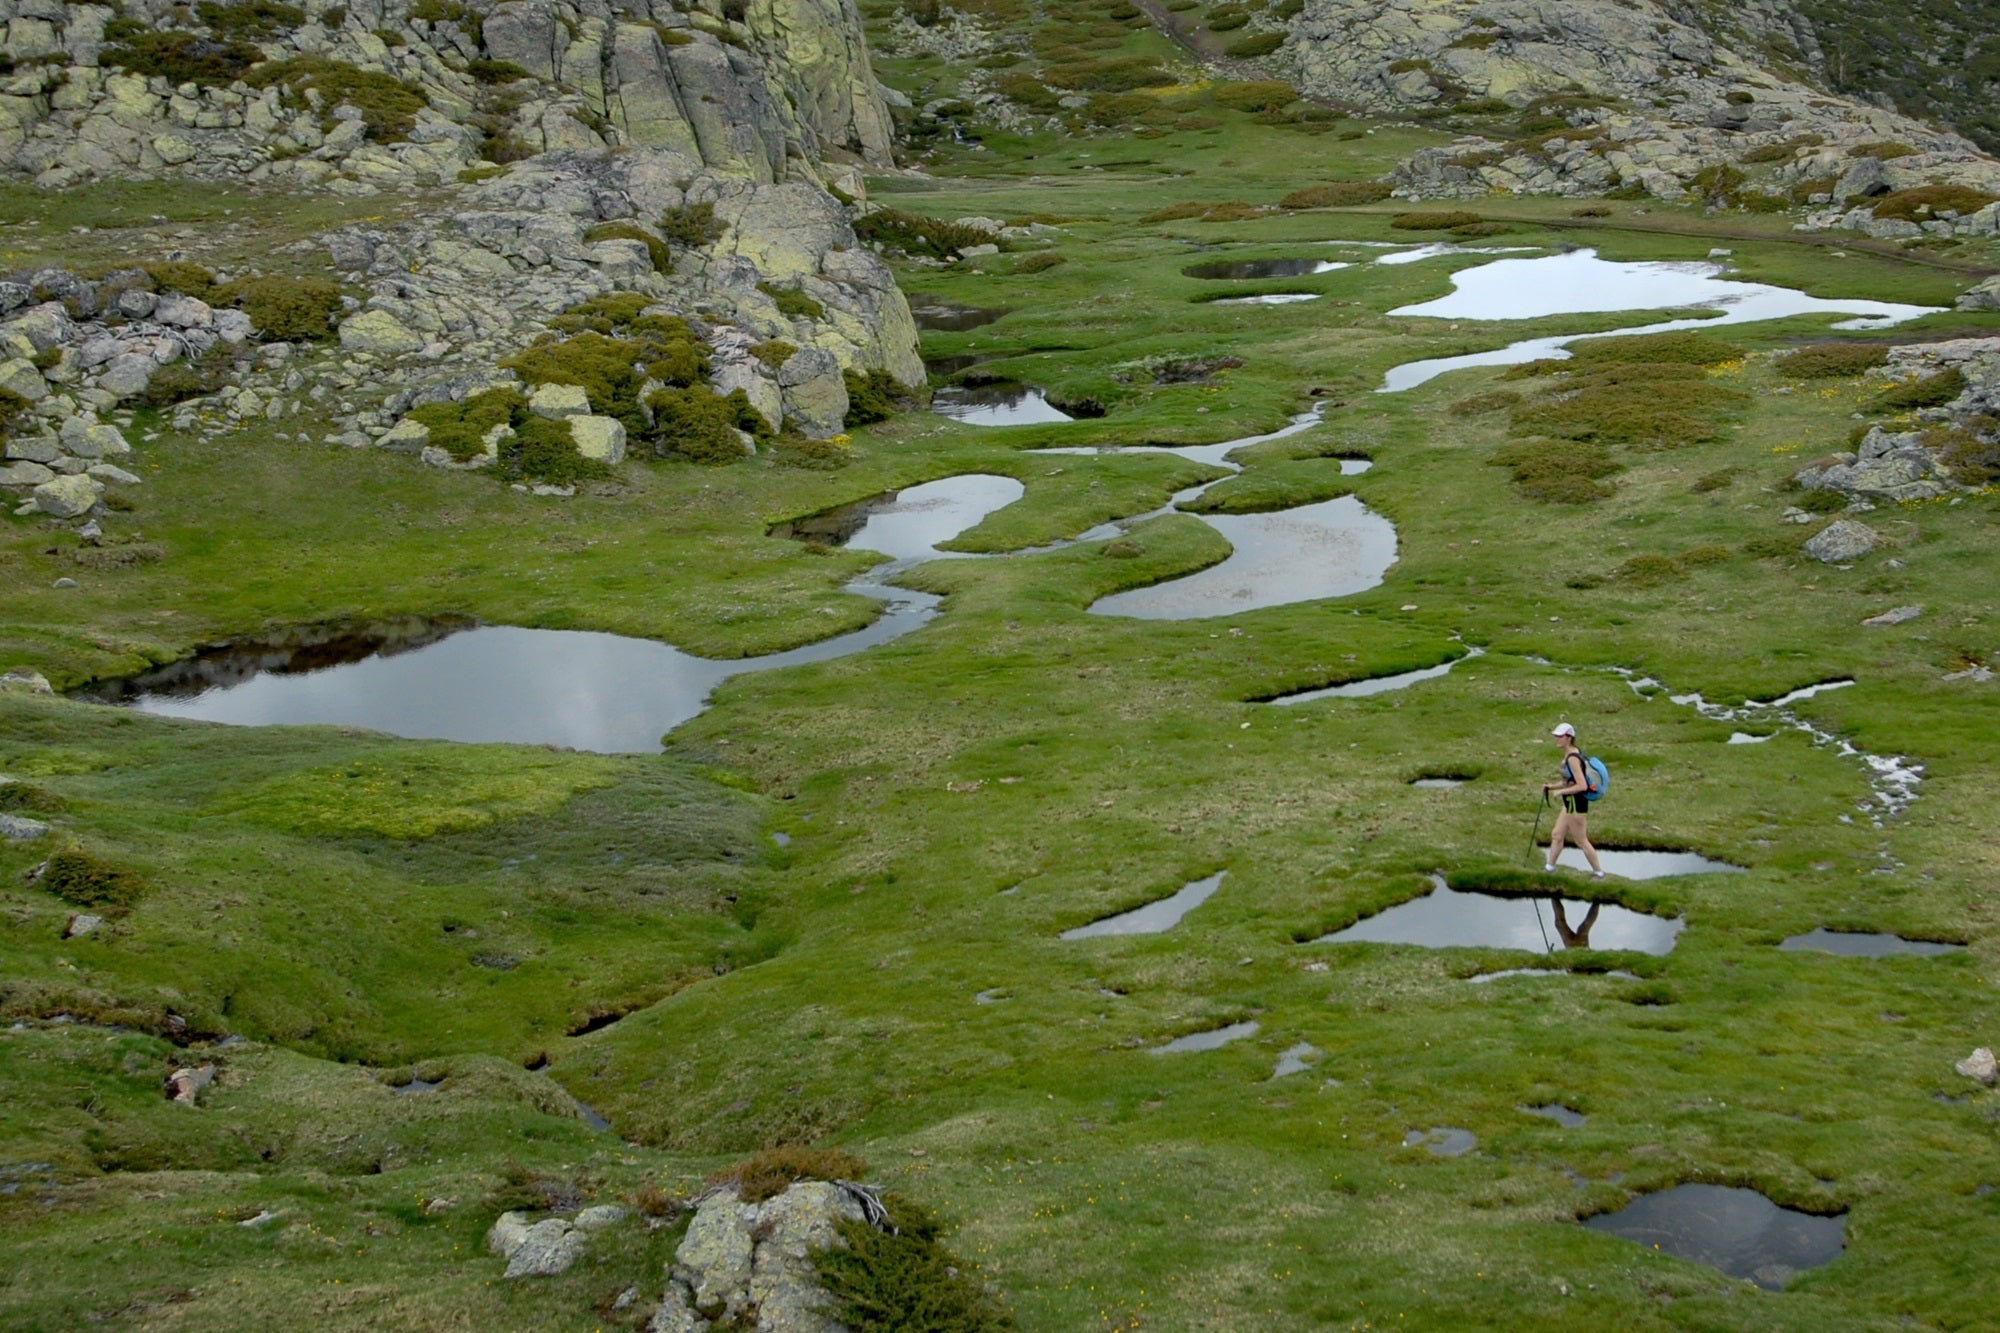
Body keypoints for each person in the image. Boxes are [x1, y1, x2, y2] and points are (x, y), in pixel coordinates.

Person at [1541, 722, 1604, 877]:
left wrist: (1561, 792)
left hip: (1576, 804)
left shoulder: (1572, 758)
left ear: (1569, 738)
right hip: (1570, 802)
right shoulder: (1573, 753)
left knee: (1581, 840)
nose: (1557, 739)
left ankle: (1599, 873)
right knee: (1557, 835)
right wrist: (1551, 787)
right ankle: (1550, 868)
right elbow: (1570, 781)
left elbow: (1582, 785)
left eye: (1560, 736)